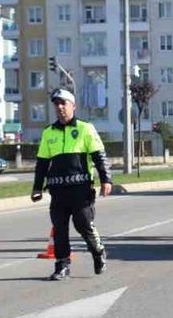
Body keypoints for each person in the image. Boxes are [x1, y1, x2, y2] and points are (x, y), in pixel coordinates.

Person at [30, 88, 113, 280]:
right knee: (59, 229)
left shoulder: (85, 128)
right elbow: (42, 163)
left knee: (83, 224)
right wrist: (36, 187)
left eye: (63, 103)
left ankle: (98, 252)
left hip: (81, 189)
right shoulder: (48, 132)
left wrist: (106, 179)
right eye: (56, 104)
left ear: (73, 106)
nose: (59, 107)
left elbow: (99, 156)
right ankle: (62, 266)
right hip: (58, 190)